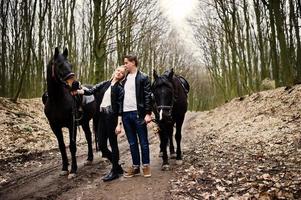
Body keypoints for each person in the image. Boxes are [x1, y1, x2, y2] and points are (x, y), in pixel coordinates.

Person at [76, 66, 126, 181]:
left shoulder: (120, 89)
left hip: (112, 117)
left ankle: (114, 171)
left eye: (122, 73)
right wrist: (78, 91)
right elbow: (91, 90)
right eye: (118, 70)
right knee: (102, 145)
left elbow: (120, 107)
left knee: (113, 144)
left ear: (123, 76)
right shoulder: (105, 84)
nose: (119, 73)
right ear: (115, 71)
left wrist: (119, 124)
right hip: (101, 116)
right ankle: (117, 166)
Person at [122, 54, 152, 178]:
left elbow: (147, 96)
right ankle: (135, 167)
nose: (125, 65)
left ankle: (145, 166)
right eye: (124, 63)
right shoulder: (124, 78)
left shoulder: (143, 77)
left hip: (138, 114)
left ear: (133, 62)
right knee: (132, 143)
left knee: (143, 141)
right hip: (125, 114)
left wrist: (148, 113)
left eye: (126, 63)